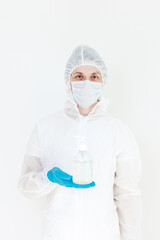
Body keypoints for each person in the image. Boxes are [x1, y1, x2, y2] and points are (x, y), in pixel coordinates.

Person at [17, 44, 142, 240]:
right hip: (57, 234)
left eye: (94, 77)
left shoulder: (118, 132)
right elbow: (25, 185)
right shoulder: (45, 128)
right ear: (69, 81)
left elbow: (128, 196)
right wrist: (46, 178)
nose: (86, 83)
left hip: (103, 234)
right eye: (79, 76)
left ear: (103, 82)